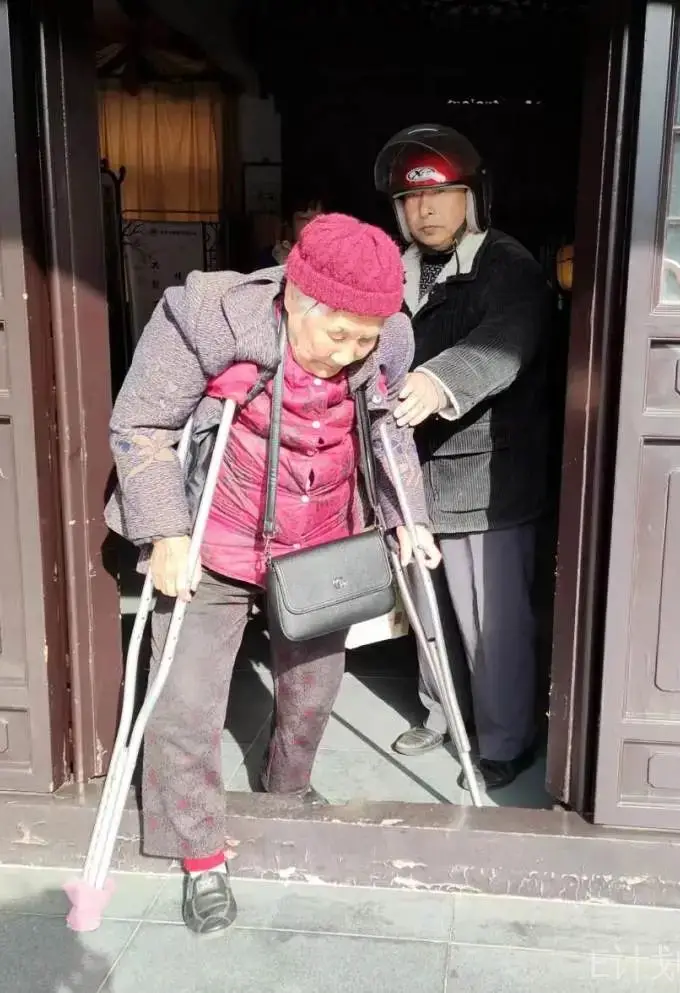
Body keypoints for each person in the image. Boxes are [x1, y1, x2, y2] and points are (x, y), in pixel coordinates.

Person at [105, 212, 440, 935]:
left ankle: (287, 791)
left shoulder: (389, 338)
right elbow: (141, 426)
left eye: (364, 339)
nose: (348, 354)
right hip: (215, 532)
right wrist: (165, 533)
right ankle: (198, 849)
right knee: (186, 700)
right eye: (337, 335)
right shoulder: (208, 317)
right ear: (292, 298)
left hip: (318, 537)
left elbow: (386, 428)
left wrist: (408, 517)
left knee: (313, 689)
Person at [374, 124, 552, 792]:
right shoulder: (393, 268)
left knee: (491, 618)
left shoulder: (507, 263)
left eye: (441, 194)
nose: (425, 210)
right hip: (410, 468)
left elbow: (508, 338)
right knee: (425, 605)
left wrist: (438, 380)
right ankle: (443, 712)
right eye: (412, 199)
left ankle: (506, 738)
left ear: (471, 197)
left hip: (486, 472)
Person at [256, 195, 325, 268]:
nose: (313, 225)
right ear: (288, 222)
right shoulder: (270, 257)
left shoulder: (327, 256)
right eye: (305, 219)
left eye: (319, 219)